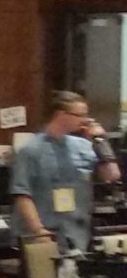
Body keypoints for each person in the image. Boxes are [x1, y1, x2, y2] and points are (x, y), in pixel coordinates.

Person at [13, 93, 97, 257]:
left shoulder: (83, 147)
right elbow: (22, 194)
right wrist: (39, 231)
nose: (85, 120)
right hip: (45, 233)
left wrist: (101, 140)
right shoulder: (31, 150)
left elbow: (112, 174)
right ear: (61, 115)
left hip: (77, 232)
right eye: (80, 115)